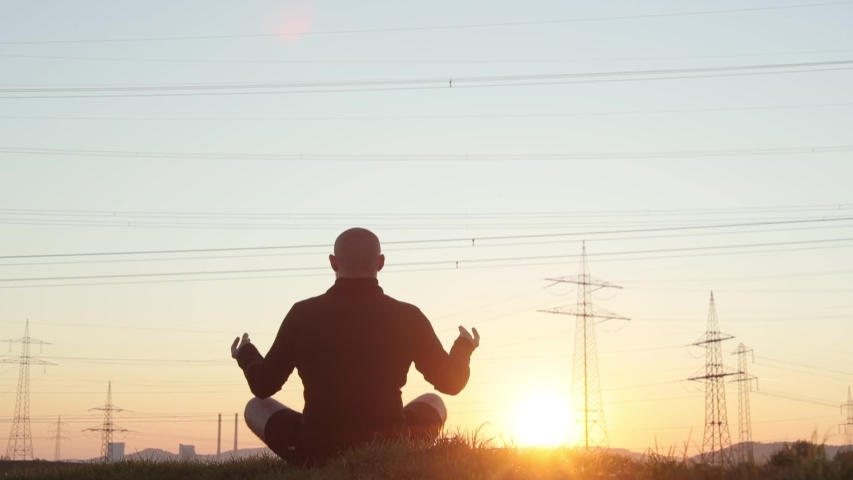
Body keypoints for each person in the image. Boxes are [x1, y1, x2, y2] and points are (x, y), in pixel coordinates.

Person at [231, 227, 480, 464]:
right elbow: (452, 382)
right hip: (391, 444)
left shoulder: (303, 314)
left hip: (316, 448)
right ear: (381, 263)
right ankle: (396, 451)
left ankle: (310, 459)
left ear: (333, 262)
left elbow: (263, 386)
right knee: (434, 401)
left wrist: (246, 353)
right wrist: (464, 346)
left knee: (256, 407)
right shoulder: (408, 316)